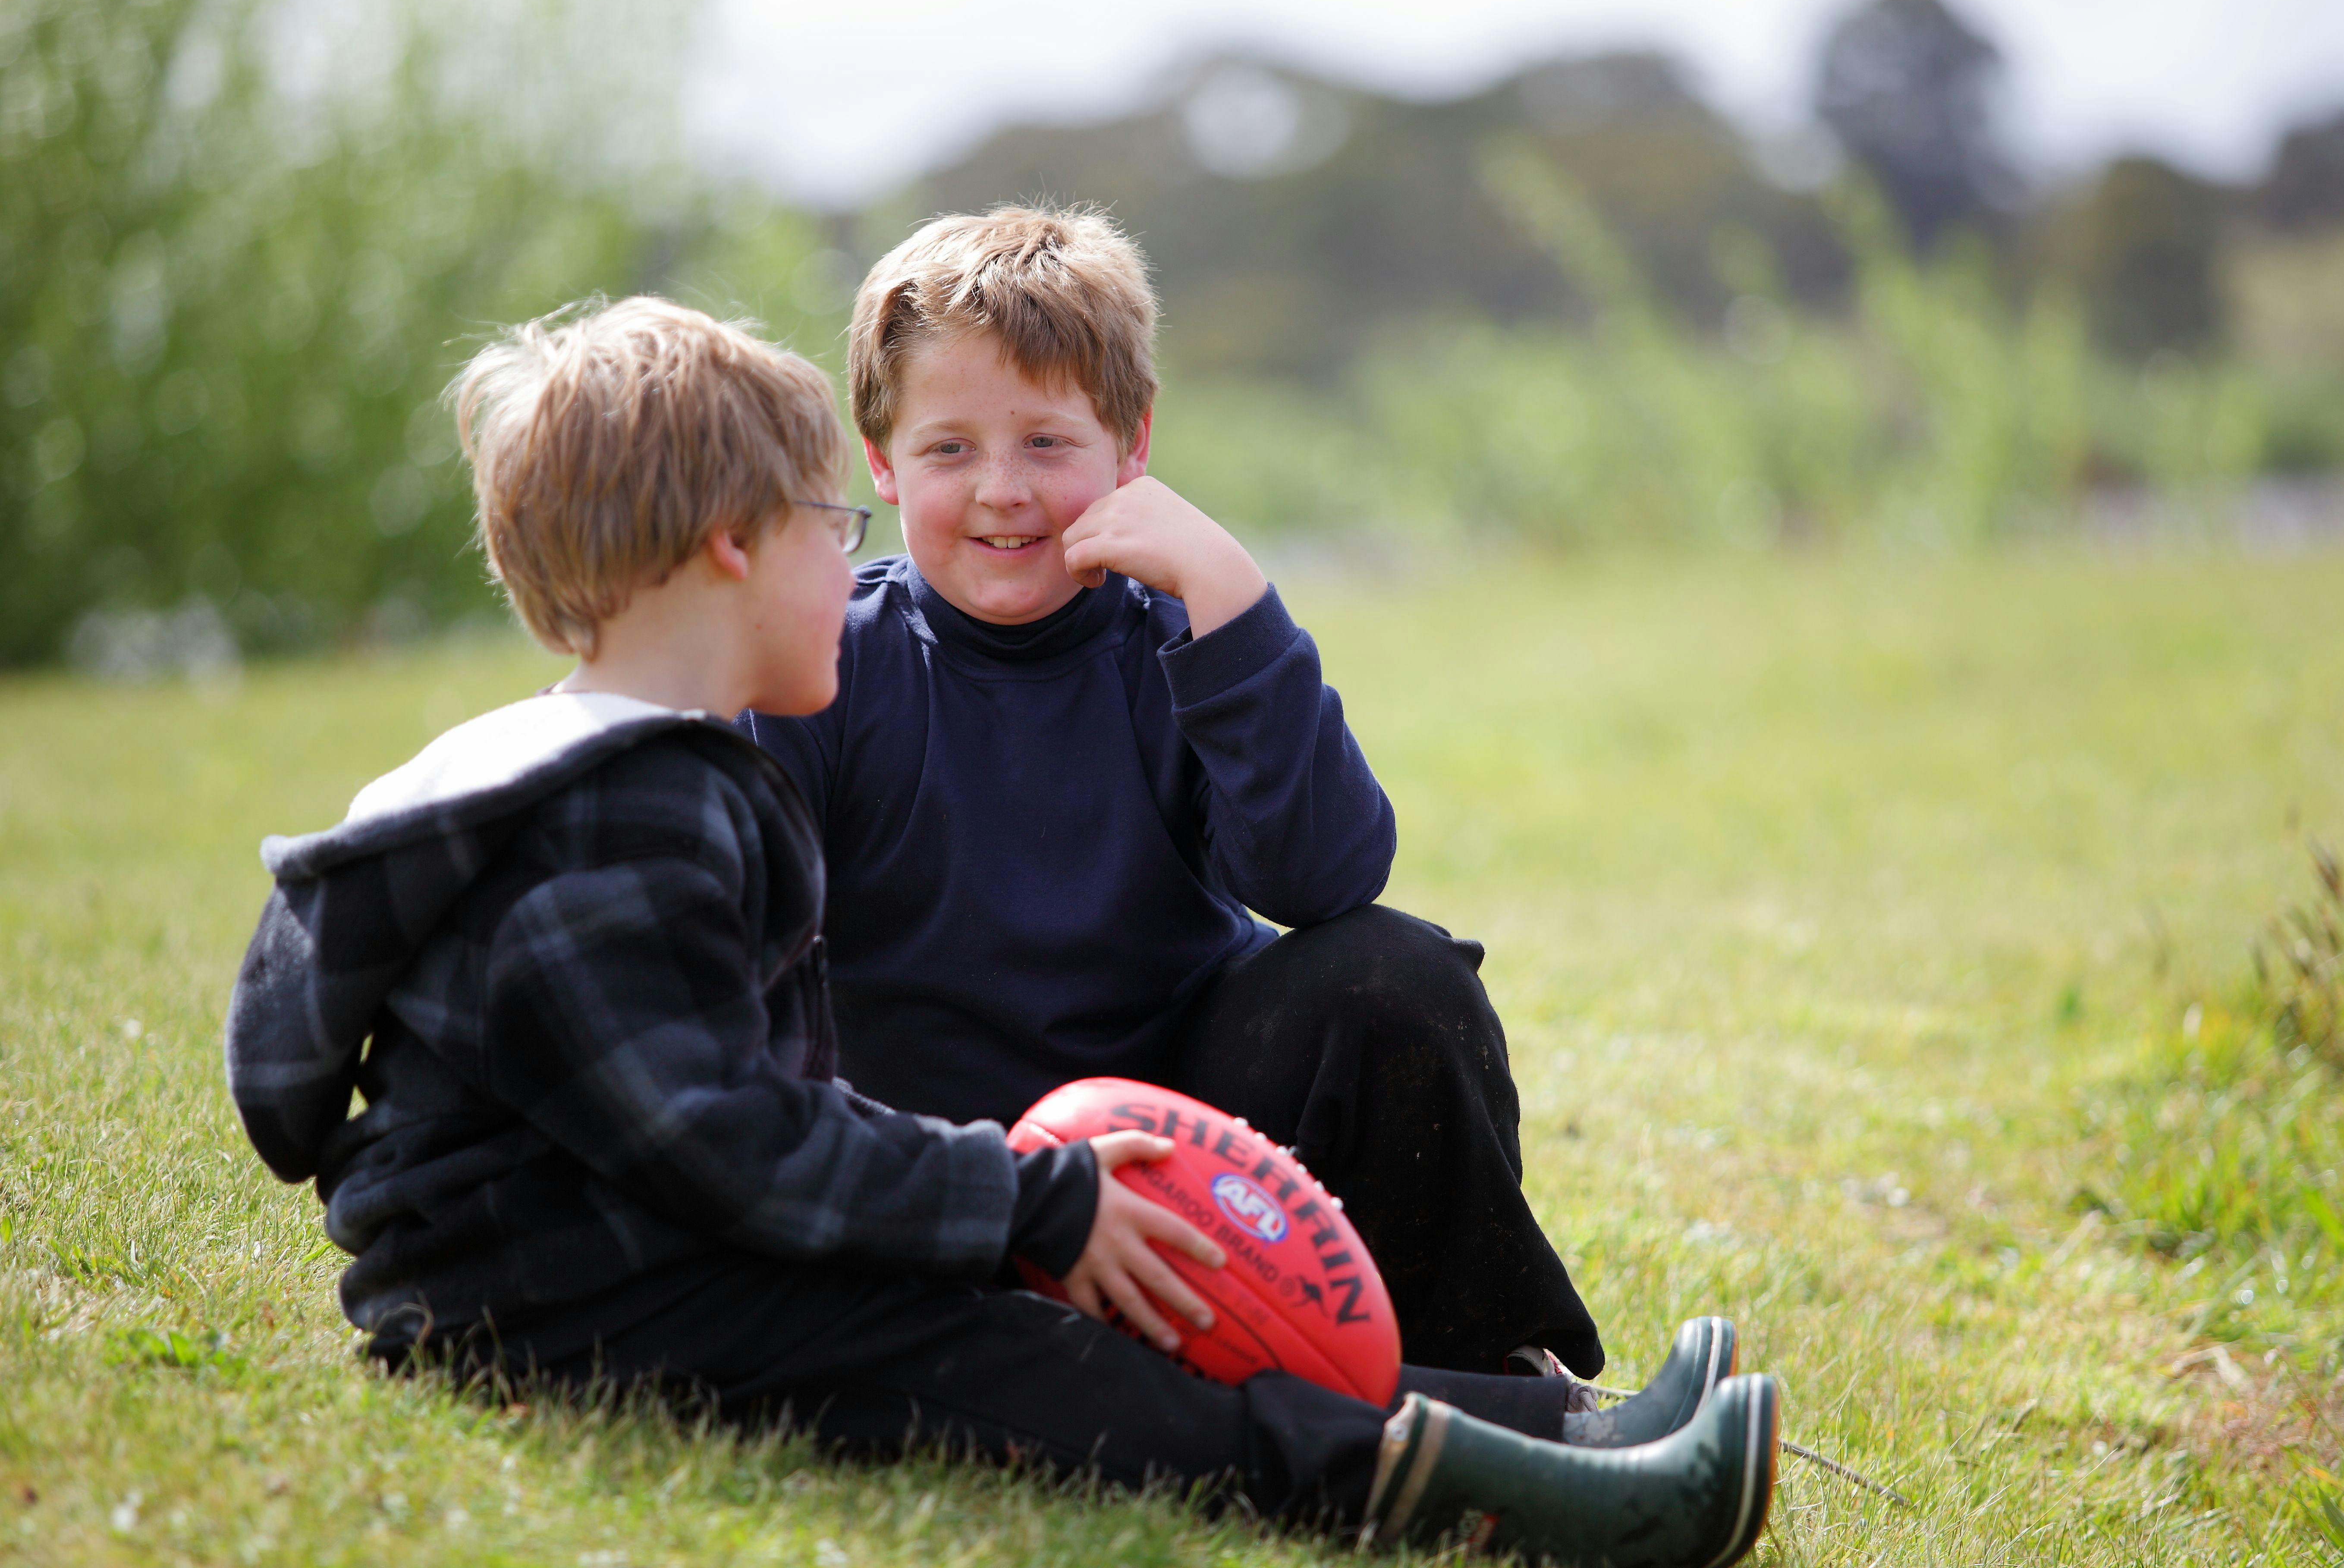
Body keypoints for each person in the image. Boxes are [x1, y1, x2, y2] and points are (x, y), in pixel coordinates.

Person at [222, 297, 1777, 1565]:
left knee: (1083, 1328)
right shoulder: (632, 809)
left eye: (1043, 444)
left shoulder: (551, 767)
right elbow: (725, 1137)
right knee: (1071, 1387)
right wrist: (1020, 1204)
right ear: (735, 546)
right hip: (586, 1305)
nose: (862, 553)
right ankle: (1534, 1501)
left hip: (661, 1263)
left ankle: (1558, 1425)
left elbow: (301, 1074)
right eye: (838, 518)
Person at [742, 206, 1598, 1379]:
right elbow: (739, 975)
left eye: (1048, 442)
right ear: (881, 461)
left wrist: (1231, 597)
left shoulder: (1179, 636)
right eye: (949, 451)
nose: (1002, 490)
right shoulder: (820, 665)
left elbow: (1326, 876)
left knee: (1395, 975)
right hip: (946, 1178)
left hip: (1190, 1156)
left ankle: (1482, 1374)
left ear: (1132, 443)